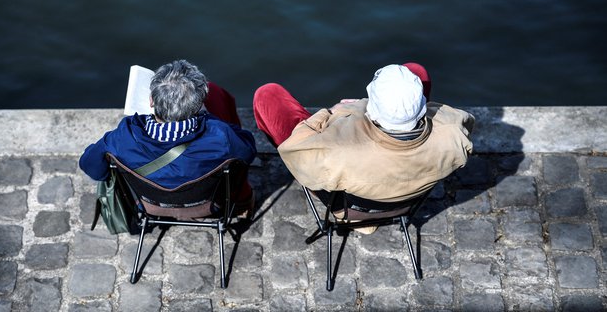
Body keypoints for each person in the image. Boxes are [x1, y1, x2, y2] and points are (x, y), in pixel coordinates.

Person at [252, 63, 474, 205]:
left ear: (373, 108)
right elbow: (459, 122)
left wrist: (332, 112)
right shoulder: (454, 133)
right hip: (407, 196)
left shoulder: (335, 154)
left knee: (268, 95)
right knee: (416, 71)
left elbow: (294, 152)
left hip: (353, 203)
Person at [79, 59, 256, 214]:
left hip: (149, 205)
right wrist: (209, 117)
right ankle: (242, 204)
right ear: (197, 107)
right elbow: (247, 152)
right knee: (218, 94)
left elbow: (91, 166)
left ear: (151, 101)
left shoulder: (123, 137)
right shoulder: (220, 136)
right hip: (207, 205)